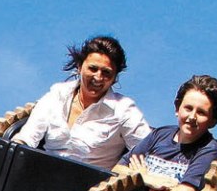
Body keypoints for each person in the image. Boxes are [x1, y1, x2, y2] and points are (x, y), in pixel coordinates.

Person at [13, 35, 152, 169]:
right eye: (93, 69)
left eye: (106, 73)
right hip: (45, 177)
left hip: (93, 188)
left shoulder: (124, 110)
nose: (98, 77)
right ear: (80, 67)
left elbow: (150, 151)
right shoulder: (57, 95)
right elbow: (27, 137)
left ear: (115, 78)